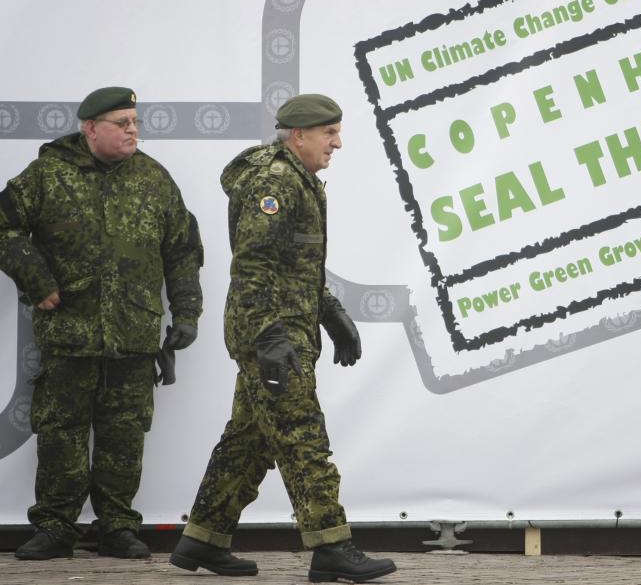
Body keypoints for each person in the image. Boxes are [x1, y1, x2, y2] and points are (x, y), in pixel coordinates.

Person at [170, 93, 395, 583]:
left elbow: (297, 266)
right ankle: (332, 545)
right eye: (329, 133)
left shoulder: (301, 180)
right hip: (269, 331)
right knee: (301, 435)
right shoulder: (274, 184)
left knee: (249, 440)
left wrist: (331, 314)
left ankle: (201, 539)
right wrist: (270, 336)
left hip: (285, 326)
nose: (338, 142)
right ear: (299, 135)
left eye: (337, 131)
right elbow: (253, 264)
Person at [0, 86, 204, 560]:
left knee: (124, 434)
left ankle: (116, 526)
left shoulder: (154, 179)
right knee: (61, 432)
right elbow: (3, 224)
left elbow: (181, 250)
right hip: (69, 335)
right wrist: (36, 278)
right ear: (91, 128)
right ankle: (55, 528)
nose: (133, 130)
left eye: (135, 121)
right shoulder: (48, 176)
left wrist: (188, 311)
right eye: (122, 123)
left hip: (133, 335)